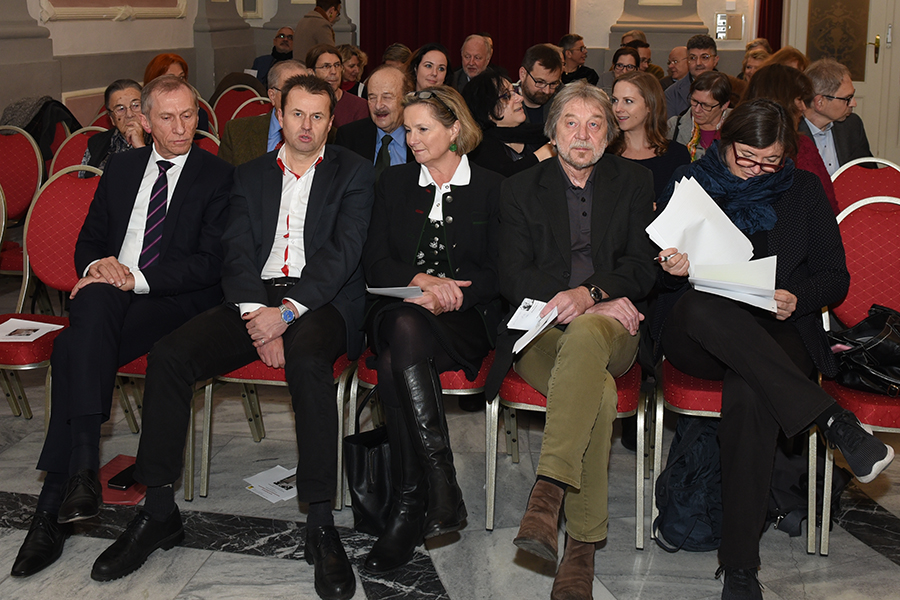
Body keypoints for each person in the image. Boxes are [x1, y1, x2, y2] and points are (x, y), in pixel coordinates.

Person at [90, 74, 373, 600]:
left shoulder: (354, 172)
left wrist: (284, 315)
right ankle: (158, 512)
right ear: (279, 116)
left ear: (331, 122)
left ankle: (320, 523)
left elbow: (343, 254)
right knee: (170, 355)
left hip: (321, 302)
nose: (306, 126)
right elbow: (236, 252)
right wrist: (256, 315)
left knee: (309, 363)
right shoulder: (249, 174)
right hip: (252, 298)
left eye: (317, 116)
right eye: (296, 114)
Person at [654, 98, 893, 600]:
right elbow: (654, 272)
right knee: (699, 304)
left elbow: (835, 277)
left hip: (778, 328)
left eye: (770, 162)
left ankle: (739, 567)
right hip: (699, 332)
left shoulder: (803, 190)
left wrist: (797, 296)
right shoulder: (690, 182)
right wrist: (672, 268)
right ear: (726, 142)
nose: (756, 169)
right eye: (746, 157)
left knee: (752, 391)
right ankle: (832, 419)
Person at [10, 74, 233, 579]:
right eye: (168, 118)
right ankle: (81, 474)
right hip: (113, 297)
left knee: (73, 346)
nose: (181, 127)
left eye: (189, 116)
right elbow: (88, 242)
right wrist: (99, 266)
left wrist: (136, 278)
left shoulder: (218, 175)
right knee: (91, 305)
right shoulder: (123, 168)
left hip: (174, 302)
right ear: (145, 121)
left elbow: (210, 264)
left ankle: (58, 498)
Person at [485, 80, 656, 599]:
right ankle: (582, 546)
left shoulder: (635, 181)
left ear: (609, 133)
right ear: (553, 131)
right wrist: (580, 300)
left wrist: (591, 295)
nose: (583, 134)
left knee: (588, 331)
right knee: (597, 394)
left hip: (613, 329)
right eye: (571, 123)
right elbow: (513, 276)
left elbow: (642, 267)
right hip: (540, 327)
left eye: (594, 124)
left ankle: (548, 492)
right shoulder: (519, 188)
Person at [360, 85, 502, 572]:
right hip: (398, 307)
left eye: (423, 129)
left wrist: (454, 294)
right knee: (404, 323)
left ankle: (411, 501)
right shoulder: (394, 182)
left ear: (454, 129)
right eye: (408, 130)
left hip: (464, 318)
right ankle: (440, 483)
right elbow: (375, 261)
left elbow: (501, 272)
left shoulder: (492, 186)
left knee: (391, 363)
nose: (412, 139)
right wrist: (421, 281)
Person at [740, 63, 838, 213]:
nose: (803, 107)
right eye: (799, 99)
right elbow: (827, 206)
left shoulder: (726, 139)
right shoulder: (801, 147)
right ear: (782, 101)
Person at [611, 71, 690, 201]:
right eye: (615, 100)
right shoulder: (605, 154)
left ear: (650, 105)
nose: (618, 108)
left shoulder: (677, 156)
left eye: (628, 101)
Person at [463, 71, 554, 177]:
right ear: (487, 110)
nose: (520, 98)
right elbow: (507, 176)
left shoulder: (536, 133)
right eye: (506, 96)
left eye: (515, 91)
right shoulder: (480, 147)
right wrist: (548, 151)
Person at [218, 60, 309, 166]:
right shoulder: (237, 132)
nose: (299, 98)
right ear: (272, 96)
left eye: (306, 91)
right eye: (289, 91)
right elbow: (224, 175)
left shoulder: (322, 134)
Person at [334, 65, 415, 174]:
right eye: (372, 98)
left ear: (406, 98)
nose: (378, 105)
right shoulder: (349, 137)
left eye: (386, 97)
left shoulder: (422, 139)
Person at [800, 58, 872, 175]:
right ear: (820, 102)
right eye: (847, 98)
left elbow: (868, 173)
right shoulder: (790, 133)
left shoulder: (851, 125)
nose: (854, 103)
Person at [80, 79, 147, 176]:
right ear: (111, 118)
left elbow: (162, 181)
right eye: (120, 109)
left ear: (146, 109)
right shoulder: (97, 143)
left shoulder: (161, 140)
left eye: (136, 105)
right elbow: (84, 182)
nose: (129, 114)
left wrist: (140, 148)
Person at [667, 71, 732, 162]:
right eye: (694, 101)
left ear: (725, 105)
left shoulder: (740, 126)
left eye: (706, 105)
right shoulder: (673, 127)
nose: (697, 110)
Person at [143, 53, 211, 133]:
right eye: (171, 78)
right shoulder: (141, 112)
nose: (178, 82)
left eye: (181, 77)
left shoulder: (198, 113)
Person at [307, 44, 368, 128]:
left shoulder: (359, 106)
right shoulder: (304, 104)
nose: (333, 71)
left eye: (337, 65)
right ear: (311, 72)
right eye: (326, 66)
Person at [665, 34, 719, 118]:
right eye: (693, 58)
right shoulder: (672, 94)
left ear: (715, 60)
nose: (698, 63)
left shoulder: (731, 90)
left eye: (704, 57)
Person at [517, 44, 563, 125]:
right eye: (540, 82)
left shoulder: (562, 105)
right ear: (523, 74)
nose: (547, 91)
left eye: (553, 84)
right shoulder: (505, 106)